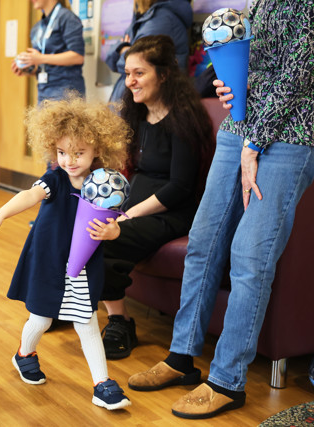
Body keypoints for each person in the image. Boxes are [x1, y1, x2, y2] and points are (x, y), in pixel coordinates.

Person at [129, 1, 314, 419]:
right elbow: (261, 63)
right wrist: (230, 83)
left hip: (292, 133)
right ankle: (181, 358)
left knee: (249, 256)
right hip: (239, 125)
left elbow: (300, 72)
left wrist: (255, 142)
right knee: (204, 242)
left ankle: (227, 380)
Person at [0, 96, 133, 410]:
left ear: (97, 149)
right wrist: (0, 214)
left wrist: (113, 231)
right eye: (61, 152)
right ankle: (24, 354)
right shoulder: (55, 180)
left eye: (78, 153)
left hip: (84, 266)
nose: (69, 160)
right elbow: (29, 195)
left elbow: (115, 223)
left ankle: (102, 383)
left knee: (86, 321)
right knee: (41, 319)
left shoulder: (105, 184)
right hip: (49, 261)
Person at [99, 35, 214, 360]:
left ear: (163, 74)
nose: (130, 81)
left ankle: (120, 321)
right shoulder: (138, 115)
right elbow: (128, 170)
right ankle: (60, 303)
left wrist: (129, 214)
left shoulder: (182, 119)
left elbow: (178, 187)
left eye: (139, 73)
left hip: (172, 212)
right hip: (134, 206)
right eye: (127, 73)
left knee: (105, 238)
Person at [105, 0, 192, 104]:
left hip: (149, 102)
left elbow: (138, 62)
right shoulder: (144, 16)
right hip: (133, 101)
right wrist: (124, 48)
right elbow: (110, 55)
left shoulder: (162, 19)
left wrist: (123, 49)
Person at [13, 0, 85, 105]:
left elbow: (77, 57)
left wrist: (40, 58)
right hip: (44, 92)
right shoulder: (37, 28)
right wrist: (26, 69)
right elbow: (42, 64)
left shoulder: (67, 18)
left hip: (66, 92)